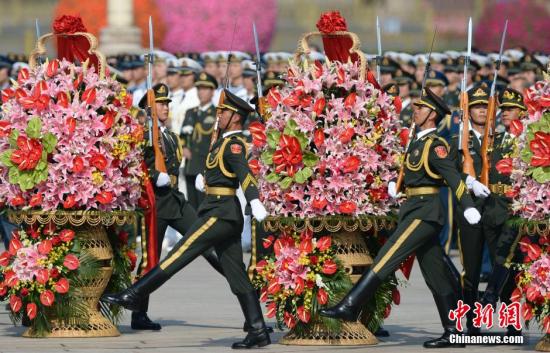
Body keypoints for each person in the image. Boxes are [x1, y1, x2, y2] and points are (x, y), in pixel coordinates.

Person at [102, 89, 271, 349]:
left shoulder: (233, 143)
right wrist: (208, 178)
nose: (219, 115)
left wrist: (254, 199)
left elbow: (244, 173)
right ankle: (258, 330)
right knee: (236, 272)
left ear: (235, 117)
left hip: (220, 214)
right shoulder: (222, 141)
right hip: (217, 211)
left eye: (223, 112)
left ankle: (134, 294)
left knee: (181, 252)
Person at [320, 88, 488, 348]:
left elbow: (453, 177)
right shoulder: (417, 142)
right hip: (413, 208)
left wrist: (467, 204)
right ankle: (452, 331)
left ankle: (350, 306)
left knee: (388, 255)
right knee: (436, 275)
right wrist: (394, 185)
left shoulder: (436, 146)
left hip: (425, 213)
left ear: (432, 115)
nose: (415, 111)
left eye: (420, 108)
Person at [129, 83, 224, 330]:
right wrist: (152, 174)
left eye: (167, 103)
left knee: (205, 240)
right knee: (151, 259)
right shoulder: (142, 136)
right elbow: (135, 166)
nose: (166, 107)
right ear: (149, 109)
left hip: (175, 199)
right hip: (155, 204)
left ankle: (242, 288)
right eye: (160, 103)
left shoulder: (169, 135)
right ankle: (138, 313)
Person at [449, 82, 501, 335]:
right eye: (476, 106)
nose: (481, 110)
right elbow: (448, 171)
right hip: (469, 210)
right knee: (470, 269)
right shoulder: (458, 141)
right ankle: (471, 319)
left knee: (503, 266)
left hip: (495, 211)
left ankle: (508, 319)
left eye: (484, 106)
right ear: (467, 111)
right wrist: (468, 180)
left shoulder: (499, 140)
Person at [479, 88, 527, 337]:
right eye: (503, 109)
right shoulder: (494, 140)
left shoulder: (527, 140)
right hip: (493, 209)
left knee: (505, 258)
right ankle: (512, 323)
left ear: (521, 111)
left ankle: (490, 295)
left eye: (510, 109)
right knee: (506, 266)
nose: (505, 113)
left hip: (514, 209)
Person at [180, 72, 218, 210]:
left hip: (205, 167)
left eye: (205, 89)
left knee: (205, 205)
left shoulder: (216, 114)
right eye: (199, 88)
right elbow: (182, 135)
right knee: (192, 205)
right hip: (191, 166)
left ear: (212, 91)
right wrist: (183, 147)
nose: (201, 92)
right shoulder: (191, 112)